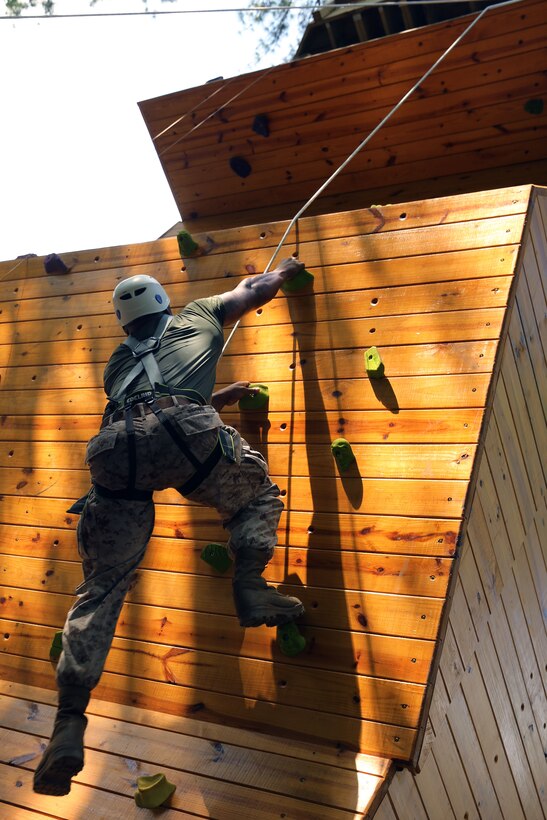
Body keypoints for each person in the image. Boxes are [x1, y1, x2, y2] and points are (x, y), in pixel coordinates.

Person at [33, 257, 306, 796]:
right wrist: (284, 273)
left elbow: (147, 399)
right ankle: (250, 587)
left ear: (121, 319)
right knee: (256, 496)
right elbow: (251, 289)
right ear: (163, 301)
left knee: (101, 587)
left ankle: (68, 722)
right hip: (187, 435)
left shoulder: (114, 363)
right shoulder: (198, 315)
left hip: (115, 453)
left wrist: (216, 396)